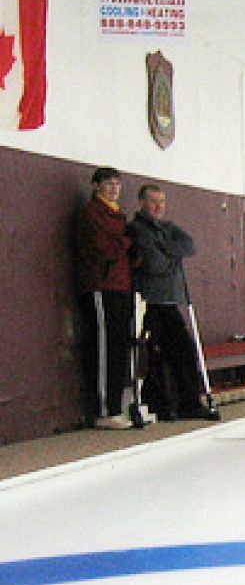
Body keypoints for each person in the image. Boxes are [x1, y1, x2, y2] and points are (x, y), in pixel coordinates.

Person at [126, 184, 219, 422]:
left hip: (171, 301)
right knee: (153, 356)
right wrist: (172, 256)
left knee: (184, 352)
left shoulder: (168, 228)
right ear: (141, 203)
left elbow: (189, 246)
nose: (158, 207)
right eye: (153, 201)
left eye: (162, 202)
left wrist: (166, 249)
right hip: (148, 301)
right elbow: (153, 263)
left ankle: (190, 402)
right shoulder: (136, 229)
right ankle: (161, 405)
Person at [74, 167, 135, 429]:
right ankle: (103, 410)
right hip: (100, 286)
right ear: (96, 186)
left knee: (119, 346)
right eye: (108, 184)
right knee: (104, 347)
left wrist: (133, 248)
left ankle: (116, 405)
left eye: (117, 184)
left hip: (121, 286)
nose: (113, 188)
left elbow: (126, 250)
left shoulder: (118, 215)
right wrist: (127, 242)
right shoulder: (91, 214)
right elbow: (103, 249)